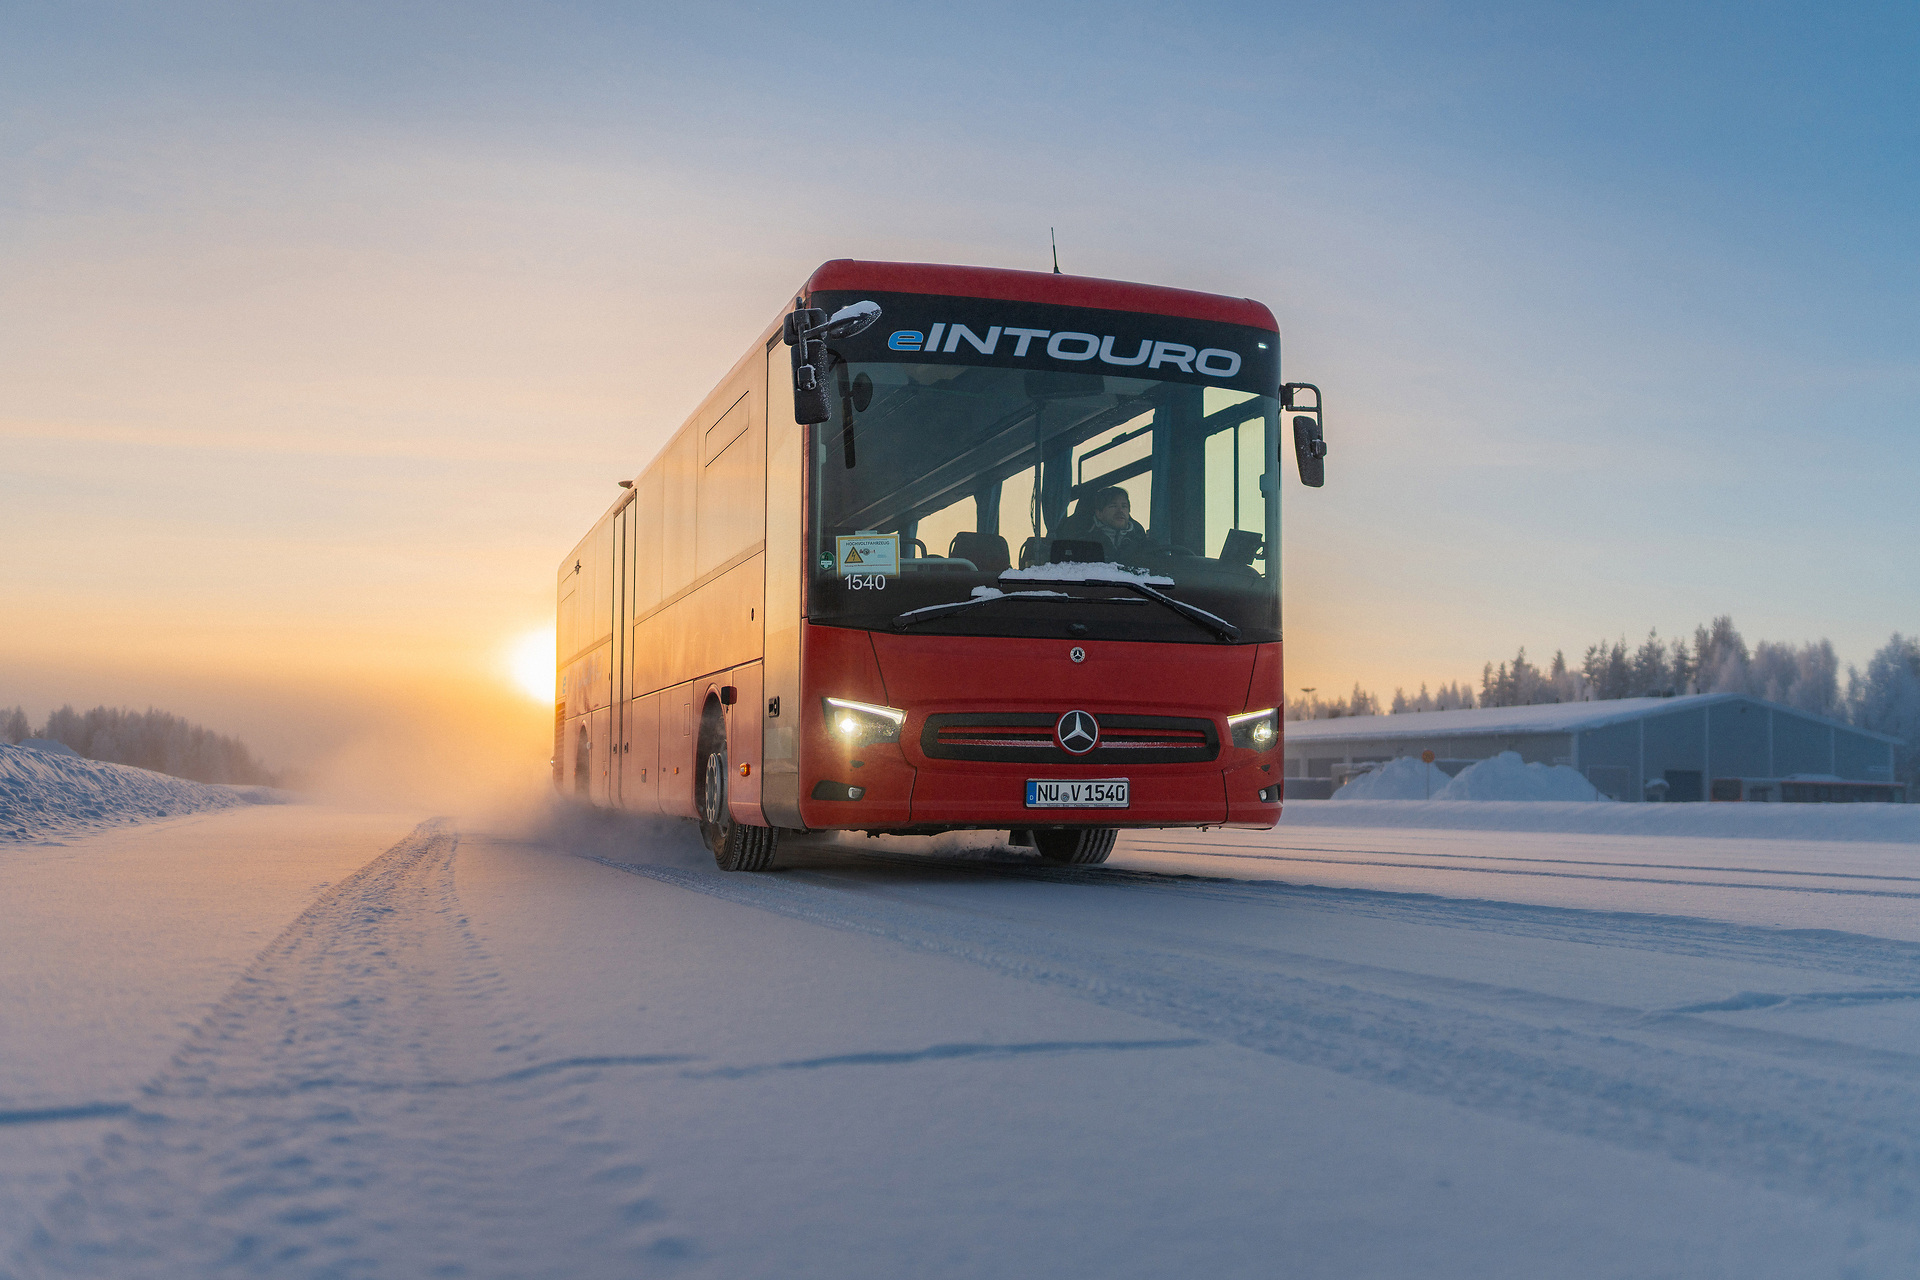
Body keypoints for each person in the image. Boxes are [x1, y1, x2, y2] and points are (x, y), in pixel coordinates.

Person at [1062, 486, 1154, 565]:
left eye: (1124, 506)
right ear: (1099, 513)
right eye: (1113, 506)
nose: (1120, 511)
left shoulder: (1142, 544)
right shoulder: (1081, 542)